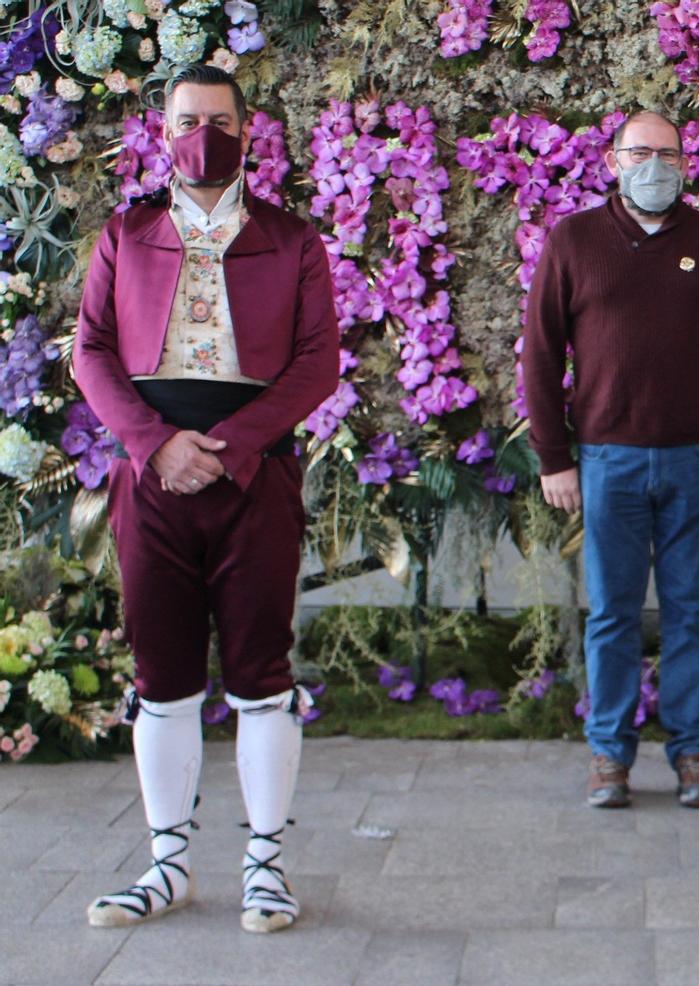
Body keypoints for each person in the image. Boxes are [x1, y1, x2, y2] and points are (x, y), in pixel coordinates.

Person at [71, 65, 339, 933]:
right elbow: (93, 352)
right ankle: (168, 866)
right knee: (164, 679)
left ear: (248, 129)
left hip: (253, 472)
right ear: (162, 128)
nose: (203, 134)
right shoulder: (126, 231)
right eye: (188, 119)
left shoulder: (294, 239)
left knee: (262, 677)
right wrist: (157, 445)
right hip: (152, 474)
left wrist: (238, 446)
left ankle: (266, 868)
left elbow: (317, 361)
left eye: (218, 120)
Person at [522, 109, 699, 810]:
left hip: (698, 460)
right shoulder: (573, 240)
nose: (653, 166)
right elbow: (540, 355)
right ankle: (609, 754)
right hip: (608, 461)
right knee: (612, 614)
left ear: (686, 163)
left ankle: (693, 752)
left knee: (690, 613)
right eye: (639, 153)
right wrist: (553, 458)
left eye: (666, 153)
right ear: (612, 161)